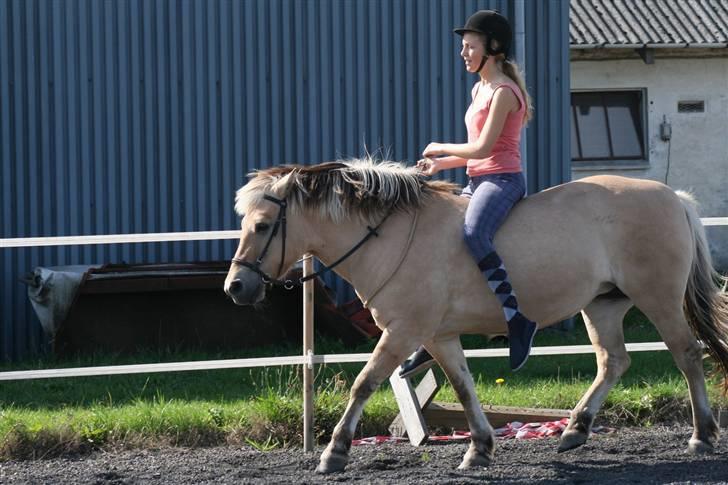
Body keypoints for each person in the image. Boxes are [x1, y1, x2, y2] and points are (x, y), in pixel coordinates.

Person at [400, 10, 537, 378]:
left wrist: (441, 147)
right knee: (442, 242)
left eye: (469, 46)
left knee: (474, 233)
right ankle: (433, 332)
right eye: (463, 47)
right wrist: (438, 166)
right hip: (478, 180)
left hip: (503, 181)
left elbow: (482, 148)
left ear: (492, 48)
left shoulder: (504, 93)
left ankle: (516, 319)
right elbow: (476, 157)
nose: (463, 53)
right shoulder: (479, 88)